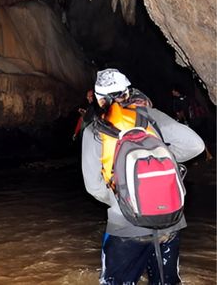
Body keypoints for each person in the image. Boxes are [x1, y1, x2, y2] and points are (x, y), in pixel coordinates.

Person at [81, 69, 205, 285]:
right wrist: (157, 159)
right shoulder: (151, 117)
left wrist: (122, 197)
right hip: (169, 219)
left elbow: (93, 187)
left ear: (100, 99)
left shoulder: (94, 130)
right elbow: (196, 145)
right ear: (127, 93)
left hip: (126, 224)